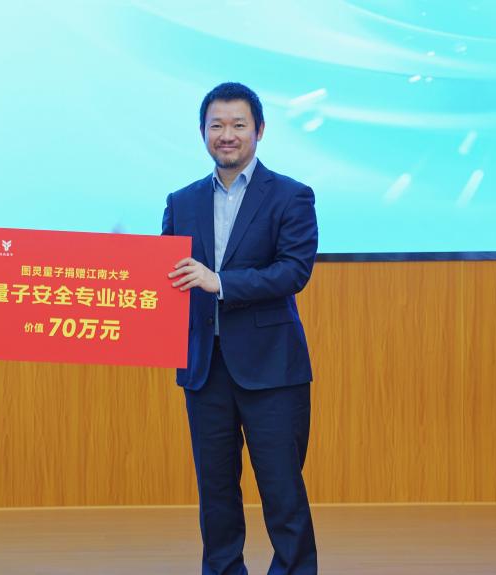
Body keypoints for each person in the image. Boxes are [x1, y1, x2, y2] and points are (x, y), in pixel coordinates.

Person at [163, 82, 319, 575]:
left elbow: (293, 271)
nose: (226, 135)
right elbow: (165, 276)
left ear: (259, 130)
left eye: (238, 125)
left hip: (272, 369)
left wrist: (221, 282)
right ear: (202, 132)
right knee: (215, 493)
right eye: (217, 125)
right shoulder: (181, 201)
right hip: (205, 369)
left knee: (282, 489)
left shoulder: (292, 195)